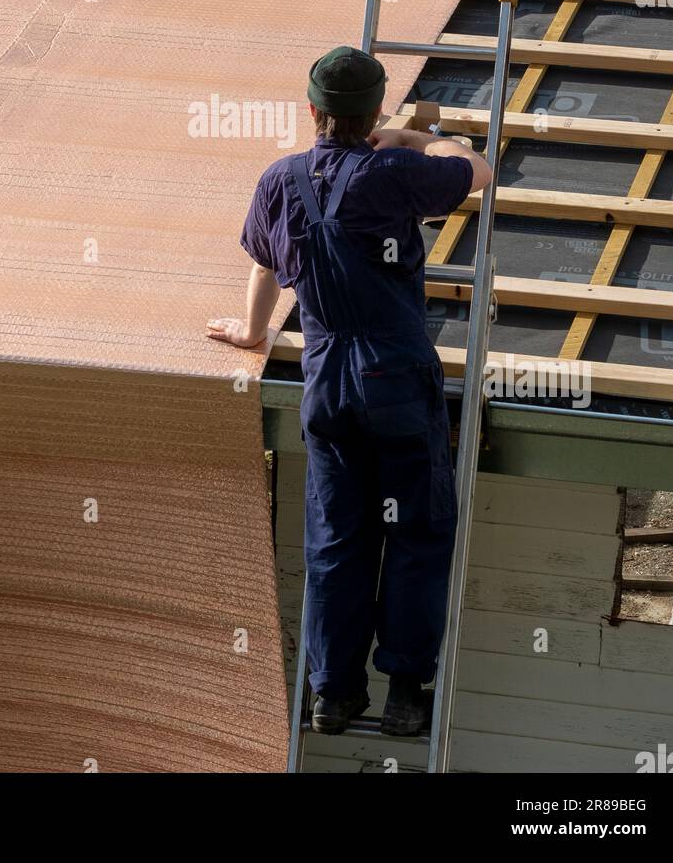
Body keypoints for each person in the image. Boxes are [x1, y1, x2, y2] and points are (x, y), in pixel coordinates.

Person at [207, 47, 492, 736]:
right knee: (416, 533)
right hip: (394, 375)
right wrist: (413, 138)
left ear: (312, 112)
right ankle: (403, 691)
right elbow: (478, 171)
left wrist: (252, 334)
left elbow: (265, 264)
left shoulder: (281, 179)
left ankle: (332, 693)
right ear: (372, 116)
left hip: (326, 378)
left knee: (338, 539)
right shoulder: (393, 171)